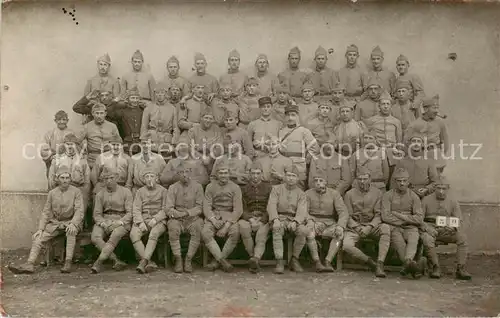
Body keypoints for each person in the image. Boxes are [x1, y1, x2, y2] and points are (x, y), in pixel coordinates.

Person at [8, 166, 84, 274]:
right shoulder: (52, 193)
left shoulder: (76, 192)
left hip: (70, 222)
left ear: (70, 179)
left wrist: (73, 223)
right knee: (38, 238)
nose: (65, 180)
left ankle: (68, 262)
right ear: (57, 179)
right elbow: (46, 212)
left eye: (67, 178)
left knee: (71, 231)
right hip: (56, 224)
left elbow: (79, 211)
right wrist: (40, 229)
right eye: (62, 178)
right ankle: (29, 264)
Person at [420, 175, 471, 280]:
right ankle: (435, 267)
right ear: (434, 188)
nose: (441, 191)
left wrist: (453, 228)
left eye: (444, 188)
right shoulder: (425, 200)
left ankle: (461, 268)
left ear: (448, 189)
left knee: (462, 238)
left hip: (447, 230)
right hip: (431, 229)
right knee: (427, 239)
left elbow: (459, 219)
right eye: (439, 188)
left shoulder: (453, 201)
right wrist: (427, 228)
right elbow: (419, 219)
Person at [343, 167, 389, 277]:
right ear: (356, 180)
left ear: (370, 179)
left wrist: (370, 226)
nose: (362, 181)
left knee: (386, 228)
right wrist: (357, 227)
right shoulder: (349, 194)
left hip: (371, 225)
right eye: (360, 179)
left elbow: (379, 214)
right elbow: (347, 216)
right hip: (355, 227)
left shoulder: (378, 193)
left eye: (365, 179)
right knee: (346, 245)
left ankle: (380, 262)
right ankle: (370, 262)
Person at [381, 168, 423, 278]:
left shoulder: (414, 196)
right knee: (399, 243)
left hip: (411, 227)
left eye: (404, 181)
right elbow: (385, 216)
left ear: (408, 181)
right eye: (399, 181)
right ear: (395, 182)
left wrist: (399, 215)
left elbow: (419, 218)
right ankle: (413, 265)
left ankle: (407, 263)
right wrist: (402, 222)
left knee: (414, 238)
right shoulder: (388, 195)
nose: (402, 183)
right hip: (394, 227)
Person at [267, 165, 309, 274]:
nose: (290, 178)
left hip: (294, 219)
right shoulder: (276, 189)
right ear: (284, 177)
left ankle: (294, 259)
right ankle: (279, 261)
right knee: (277, 229)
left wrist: (296, 221)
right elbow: (271, 205)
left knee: (303, 231)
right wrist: (275, 219)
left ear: (297, 178)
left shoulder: (301, 193)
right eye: (288, 175)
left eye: (293, 176)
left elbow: (302, 210)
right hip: (280, 217)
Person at [90, 168, 133, 273]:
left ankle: (99, 262)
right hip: (105, 219)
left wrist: (119, 222)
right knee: (95, 237)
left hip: (121, 220)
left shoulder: (126, 192)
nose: (109, 180)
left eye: (111, 178)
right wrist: (103, 223)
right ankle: (115, 260)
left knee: (115, 234)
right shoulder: (100, 194)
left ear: (117, 178)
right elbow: (97, 214)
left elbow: (130, 213)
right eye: (106, 178)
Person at [202, 165, 243, 272]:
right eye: (221, 173)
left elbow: (238, 209)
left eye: (225, 173)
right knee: (206, 233)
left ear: (229, 174)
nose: (223, 175)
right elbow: (206, 207)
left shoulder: (235, 187)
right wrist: (213, 220)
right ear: (217, 174)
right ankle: (223, 261)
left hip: (230, 216)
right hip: (214, 216)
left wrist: (226, 226)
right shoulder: (210, 187)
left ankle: (217, 261)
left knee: (235, 233)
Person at [165, 162, 205, 273]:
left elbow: (199, 207)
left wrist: (187, 213)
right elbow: (168, 208)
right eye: (181, 172)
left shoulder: (198, 187)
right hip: (177, 219)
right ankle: (178, 259)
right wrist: (176, 214)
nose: (184, 175)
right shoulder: (173, 188)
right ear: (177, 174)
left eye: (186, 171)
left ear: (190, 172)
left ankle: (188, 259)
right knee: (172, 227)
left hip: (192, 218)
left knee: (198, 226)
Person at [305, 174, 348, 272]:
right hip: (314, 222)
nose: (318, 183)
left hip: (330, 223)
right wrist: (311, 220)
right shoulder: (307, 193)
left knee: (339, 234)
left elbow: (343, 212)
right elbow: (303, 211)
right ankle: (317, 262)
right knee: (309, 232)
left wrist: (340, 226)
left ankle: (328, 261)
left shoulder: (334, 194)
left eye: (321, 180)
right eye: (316, 181)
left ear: (326, 182)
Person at [130, 168, 168, 274]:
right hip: (143, 219)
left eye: (152, 176)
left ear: (156, 178)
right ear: (144, 179)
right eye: (147, 177)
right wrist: (140, 222)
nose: (149, 179)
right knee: (133, 234)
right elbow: (136, 209)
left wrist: (156, 219)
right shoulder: (140, 192)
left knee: (154, 233)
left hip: (159, 221)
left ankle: (143, 262)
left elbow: (166, 209)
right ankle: (149, 261)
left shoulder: (163, 191)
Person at [239, 162, 273, 273]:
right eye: (253, 173)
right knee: (243, 228)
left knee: (261, 234)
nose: (255, 176)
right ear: (249, 174)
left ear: (262, 174)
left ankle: (256, 258)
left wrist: (262, 219)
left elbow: (271, 206)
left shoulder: (269, 187)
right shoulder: (244, 188)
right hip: (248, 217)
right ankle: (252, 258)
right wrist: (250, 219)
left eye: (258, 173)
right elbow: (241, 207)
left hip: (264, 217)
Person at [48, 134, 91, 220]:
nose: (70, 146)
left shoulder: (82, 160)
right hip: (62, 190)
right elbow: (51, 179)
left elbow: (87, 179)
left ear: (76, 145)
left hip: (78, 190)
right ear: (64, 145)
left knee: (78, 215)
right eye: (67, 144)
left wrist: (84, 194)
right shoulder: (58, 159)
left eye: (72, 144)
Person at [278, 104, 320, 190]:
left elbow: (315, 148)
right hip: (283, 167)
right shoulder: (281, 131)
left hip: (298, 167)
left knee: (298, 191)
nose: (290, 118)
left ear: (297, 116)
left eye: (293, 115)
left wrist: (306, 159)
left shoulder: (304, 131)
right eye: (288, 115)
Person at [405, 95, 449, 174]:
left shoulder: (440, 122)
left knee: (436, 180)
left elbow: (445, 140)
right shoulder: (415, 124)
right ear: (425, 109)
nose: (436, 111)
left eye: (437, 108)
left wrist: (442, 155)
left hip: (436, 155)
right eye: (434, 108)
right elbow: (406, 142)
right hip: (420, 156)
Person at [392, 134, 439, 199]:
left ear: (422, 144)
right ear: (409, 144)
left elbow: (436, 181)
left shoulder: (429, 161)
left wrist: (427, 189)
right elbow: (394, 180)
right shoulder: (402, 161)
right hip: (406, 194)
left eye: (418, 141)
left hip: (424, 195)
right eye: (413, 141)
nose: (416, 143)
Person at [141, 82, 179, 155]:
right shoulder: (149, 108)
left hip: (166, 140)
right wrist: (143, 140)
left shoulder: (172, 108)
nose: (160, 95)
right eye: (157, 93)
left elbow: (175, 127)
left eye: (162, 93)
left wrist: (174, 142)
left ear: (166, 94)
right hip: (151, 140)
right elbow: (144, 126)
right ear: (155, 94)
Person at [107, 87, 147, 155]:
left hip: (141, 142)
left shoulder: (143, 111)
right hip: (128, 143)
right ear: (128, 99)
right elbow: (109, 112)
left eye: (137, 98)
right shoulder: (123, 111)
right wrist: (115, 101)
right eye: (132, 98)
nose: (135, 100)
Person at [187, 107, 223, 171]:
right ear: (201, 118)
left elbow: (219, 147)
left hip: (212, 158)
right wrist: (202, 157)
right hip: (197, 158)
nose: (208, 120)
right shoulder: (193, 130)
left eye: (210, 119)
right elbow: (190, 148)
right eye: (206, 118)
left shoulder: (216, 129)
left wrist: (209, 157)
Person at [40, 110, 74, 178]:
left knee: (66, 178)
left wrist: (70, 156)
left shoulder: (72, 133)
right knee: (52, 178)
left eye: (64, 119)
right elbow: (44, 149)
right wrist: (50, 157)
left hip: (68, 160)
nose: (61, 122)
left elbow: (76, 148)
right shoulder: (50, 133)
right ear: (55, 121)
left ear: (67, 120)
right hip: (53, 159)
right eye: (59, 119)